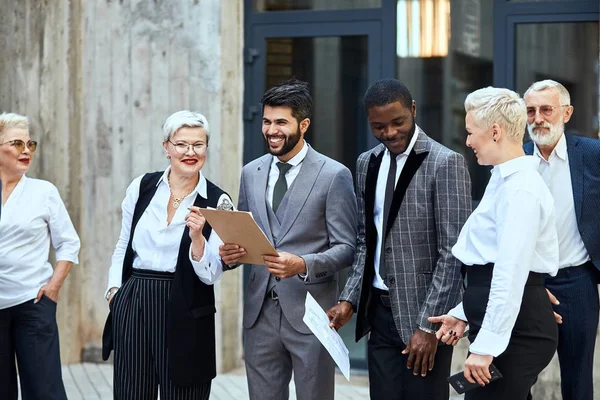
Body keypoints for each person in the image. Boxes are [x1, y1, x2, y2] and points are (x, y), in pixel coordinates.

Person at [326, 79, 471, 400]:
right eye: (378, 126)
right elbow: (367, 239)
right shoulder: (367, 163)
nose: (389, 133)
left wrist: (428, 327)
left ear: (414, 110)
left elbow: (453, 254)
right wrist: (349, 299)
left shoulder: (445, 163)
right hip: (379, 312)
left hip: (424, 315)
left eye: (398, 122)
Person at [219, 79, 357, 400]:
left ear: (303, 124)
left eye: (281, 122)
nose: (271, 130)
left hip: (310, 314)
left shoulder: (333, 175)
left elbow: (347, 249)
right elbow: (245, 232)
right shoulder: (250, 172)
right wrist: (232, 253)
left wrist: (303, 264)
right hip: (259, 315)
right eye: (267, 122)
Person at [429, 87, 559, 399]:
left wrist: (485, 348)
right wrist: (463, 312)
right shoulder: (504, 180)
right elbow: (492, 269)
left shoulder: (520, 190)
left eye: (471, 132)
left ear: (495, 131)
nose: (468, 141)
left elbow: (509, 274)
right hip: (507, 324)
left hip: (517, 332)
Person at [101, 110, 234, 400]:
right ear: (166, 147)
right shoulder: (142, 186)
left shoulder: (219, 201)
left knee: (184, 391)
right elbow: (123, 242)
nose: (190, 152)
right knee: (132, 392)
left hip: (186, 303)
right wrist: (114, 291)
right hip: (135, 298)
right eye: (182, 144)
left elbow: (211, 273)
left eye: (198, 145)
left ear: (206, 148)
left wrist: (197, 238)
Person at [523, 79, 600, 400]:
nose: (538, 118)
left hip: (577, 283)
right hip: (528, 283)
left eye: (546, 109)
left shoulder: (593, 154)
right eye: (530, 111)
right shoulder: (515, 159)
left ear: (566, 113)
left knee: (578, 376)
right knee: (516, 372)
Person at [0, 112, 81, 400]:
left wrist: (53, 289)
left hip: (32, 304)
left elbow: (69, 244)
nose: (26, 151)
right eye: (17, 143)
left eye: (30, 144)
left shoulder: (43, 192)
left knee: (44, 391)